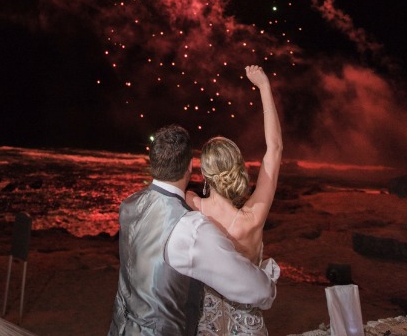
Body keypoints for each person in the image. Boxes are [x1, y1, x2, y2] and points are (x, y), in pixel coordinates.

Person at [108, 123, 277, 336]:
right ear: (190, 166)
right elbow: (258, 290)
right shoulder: (191, 229)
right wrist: (268, 282)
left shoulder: (129, 205)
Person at [185, 64, 283, 336]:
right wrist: (264, 87)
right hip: (246, 326)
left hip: (208, 323)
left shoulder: (191, 205)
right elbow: (274, 149)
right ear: (238, 166)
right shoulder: (252, 218)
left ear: (204, 173)